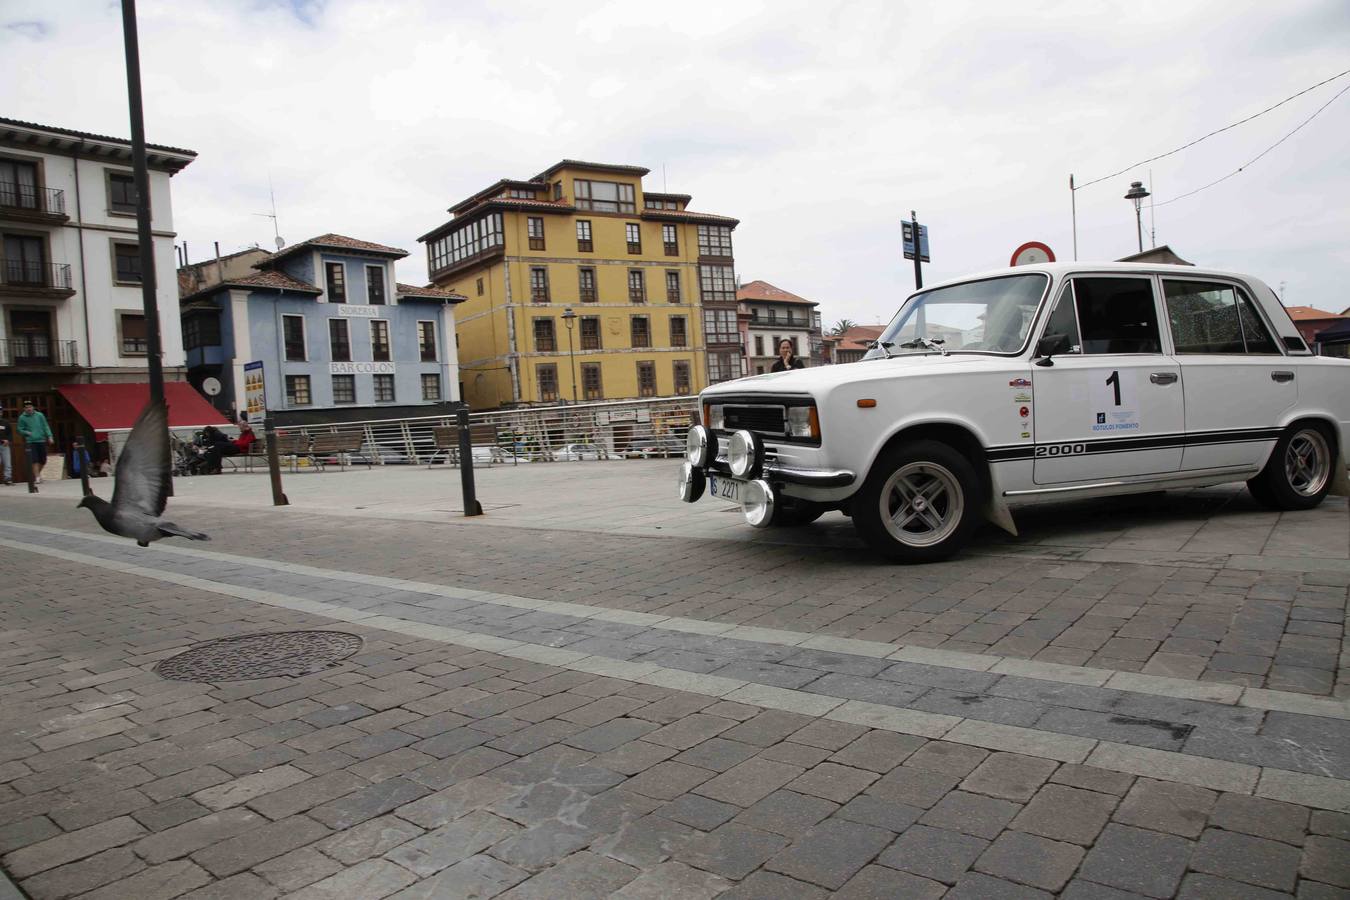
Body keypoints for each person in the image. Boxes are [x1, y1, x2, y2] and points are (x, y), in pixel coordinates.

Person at [17, 399, 53, 492]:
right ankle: (37, 477)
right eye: (26, 407)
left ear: (33, 407)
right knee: (35, 459)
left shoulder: (40, 415)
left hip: (41, 439)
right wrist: (26, 432)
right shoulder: (22, 417)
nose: (28, 409)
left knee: (43, 460)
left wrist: (49, 436)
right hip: (31, 441)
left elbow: (45, 426)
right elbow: (19, 429)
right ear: (24, 409)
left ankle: (38, 474)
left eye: (29, 407)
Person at [0, 405, 12, 485]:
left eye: (0, 411)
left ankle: (7, 479)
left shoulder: (6, 422)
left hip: (5, 445)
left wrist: (8, 440)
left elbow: (10, 433)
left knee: (7, 463)